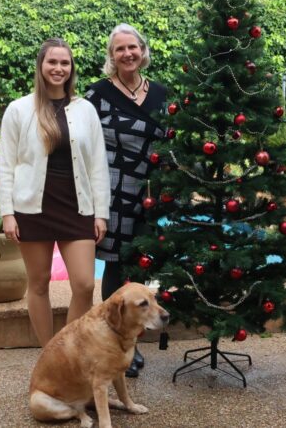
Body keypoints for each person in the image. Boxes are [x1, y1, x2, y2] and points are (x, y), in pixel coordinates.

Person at [0, 38, 110, 347]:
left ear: (71, 68)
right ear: (41, 66)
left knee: (85, 285)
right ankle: (49, 353)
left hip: (77, 207)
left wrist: (101, 213)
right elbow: (6, 164)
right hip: (33, 209)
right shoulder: (19, 110)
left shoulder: (84, 109)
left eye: (65, 63)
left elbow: (98, 164)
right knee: (39, 284)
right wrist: (8, 213)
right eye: (52, 62)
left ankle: (67, 352)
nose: (59, 68)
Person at [84, 23, 168, 378]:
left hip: (152, 190)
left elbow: (175, 139)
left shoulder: (163, 93)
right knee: (116, 267)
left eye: (132, 47)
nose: (127, 54)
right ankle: (116, 343)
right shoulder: (96, 94)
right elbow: (83, 144)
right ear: (111, 56)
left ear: (143, 51)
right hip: (113, 189)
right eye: (119, 49)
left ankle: (135, 341)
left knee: (144, 267)